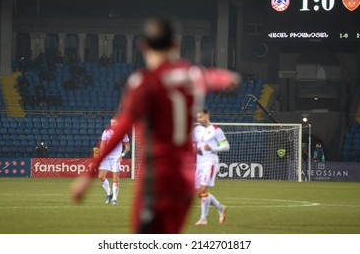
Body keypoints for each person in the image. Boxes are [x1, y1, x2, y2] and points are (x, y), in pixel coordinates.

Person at [71, 16, 240, 233]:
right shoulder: (194, 75)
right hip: (184, 180)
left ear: (143, 46)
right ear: (176, 44)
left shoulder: (143, 82)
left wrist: (88, 175)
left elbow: (120, 130)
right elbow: (216, 77)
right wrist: (229, 77)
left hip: (156, 178)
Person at [193, 108, 229, 226]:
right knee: (199, 192)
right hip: (200, 163)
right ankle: (220, 207)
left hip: (210, 162)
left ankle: (203, 218)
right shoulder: (197, 129)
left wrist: (213, 148)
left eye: (201, 117)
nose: (199, 120)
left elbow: (226, 146)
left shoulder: (216, 130)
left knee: (203, 189)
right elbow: (194, 144)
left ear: (207, 115)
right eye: (197, 118)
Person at [98, 117, 130, 205]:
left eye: (114, 123)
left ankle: (114, 199)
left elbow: (127, 147)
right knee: (101, 176)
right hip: (106, 157)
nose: (112, 124)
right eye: (111, 123)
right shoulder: (106, 132)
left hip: (116, 158)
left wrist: (122, 155)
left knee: (115, 178)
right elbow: (102, 145)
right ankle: (109, 194)